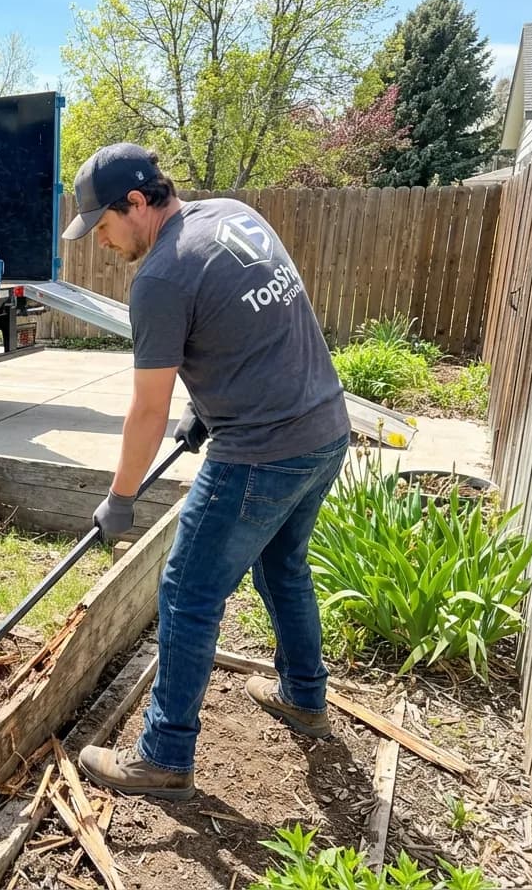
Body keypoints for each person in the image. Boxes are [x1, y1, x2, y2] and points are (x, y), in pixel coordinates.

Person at [64, 143, 351, 801]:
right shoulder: (231, 216)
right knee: (283, 566)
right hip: (324, 430)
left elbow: (144, 410)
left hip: (262, 452)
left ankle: (164, 757)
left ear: (135, 203)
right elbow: (252, 329)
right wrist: (205, 408)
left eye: (102, 225)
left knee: (188, 593)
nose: (102, 242)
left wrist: (120, 499)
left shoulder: (162, 277)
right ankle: (305, 697)